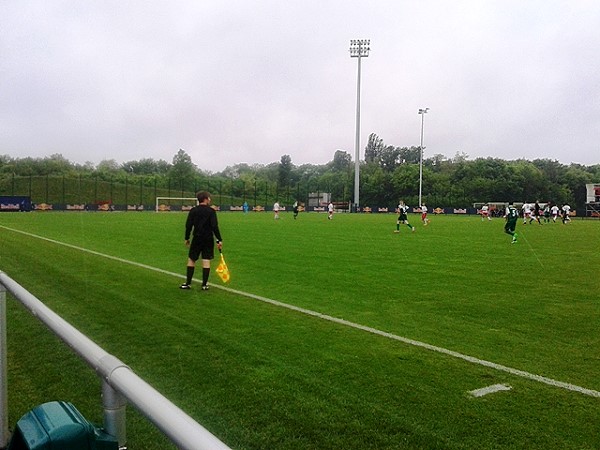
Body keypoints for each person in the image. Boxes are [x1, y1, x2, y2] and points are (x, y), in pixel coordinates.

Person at [180, 191, 223, 291]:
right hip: (208, 238)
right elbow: (214, 226)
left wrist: (187, 238)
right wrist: (219, 239)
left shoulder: (193, 211)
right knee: (206, 260)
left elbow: (188, 226)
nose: (210, 199)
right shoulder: (211, 211)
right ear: (206, 199)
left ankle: (188, 283)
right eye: (209, 198)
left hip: (197, 237)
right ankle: (204, 285)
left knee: (191, 259)